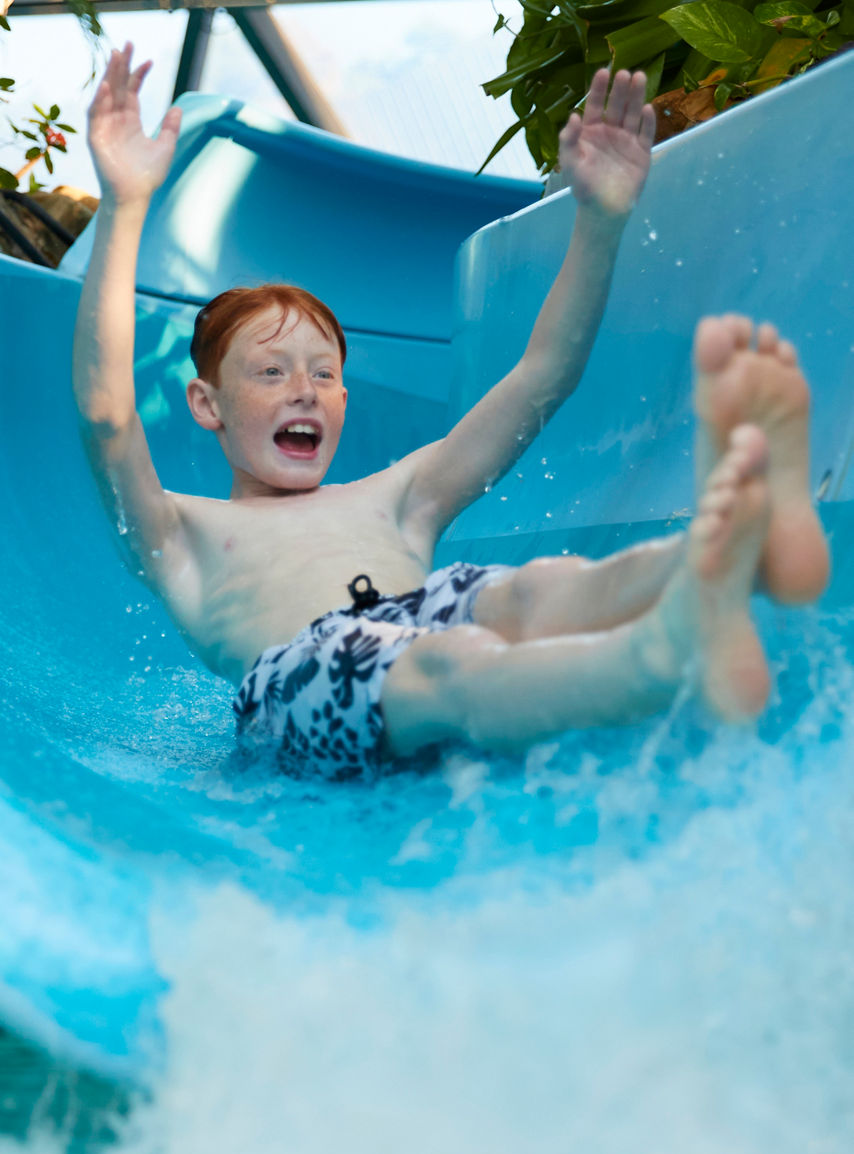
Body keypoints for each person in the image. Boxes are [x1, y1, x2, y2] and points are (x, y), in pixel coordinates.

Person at [73, 46, 829, 782]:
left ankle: (717, 554)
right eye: (271, 372)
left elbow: (542, 378)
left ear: (343, 399)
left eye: (323, 373)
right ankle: (650, 657)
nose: (303, 389)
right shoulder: (183, 534)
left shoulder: (400, 497)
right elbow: (108, 418)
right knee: (446, 663)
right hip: (301, 678)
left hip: (422, 613)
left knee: (532, 589)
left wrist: (599, 222)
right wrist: (126, 207)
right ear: (207, 405)